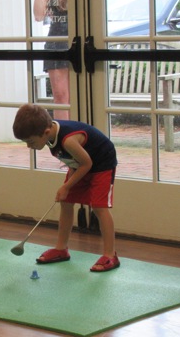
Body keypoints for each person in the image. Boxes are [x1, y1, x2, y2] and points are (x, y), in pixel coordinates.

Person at [12, 104, 119, 272]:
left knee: (99, 207)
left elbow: (87, 163)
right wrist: (68, 188)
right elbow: (77, 162)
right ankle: (61, 249)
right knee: (66, 202)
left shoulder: (68, 140)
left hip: (101, 164)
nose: (29, 147)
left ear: (46, 133)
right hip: (80, 165)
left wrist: (67, 186)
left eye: (30, 142)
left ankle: (110, 255)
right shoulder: (47, 133)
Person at [33, 0, 70, 117]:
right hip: (55, 40)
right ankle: (63, 135)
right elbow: (39, 15)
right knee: (60, 96)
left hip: (72, 38)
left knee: (73, 95)